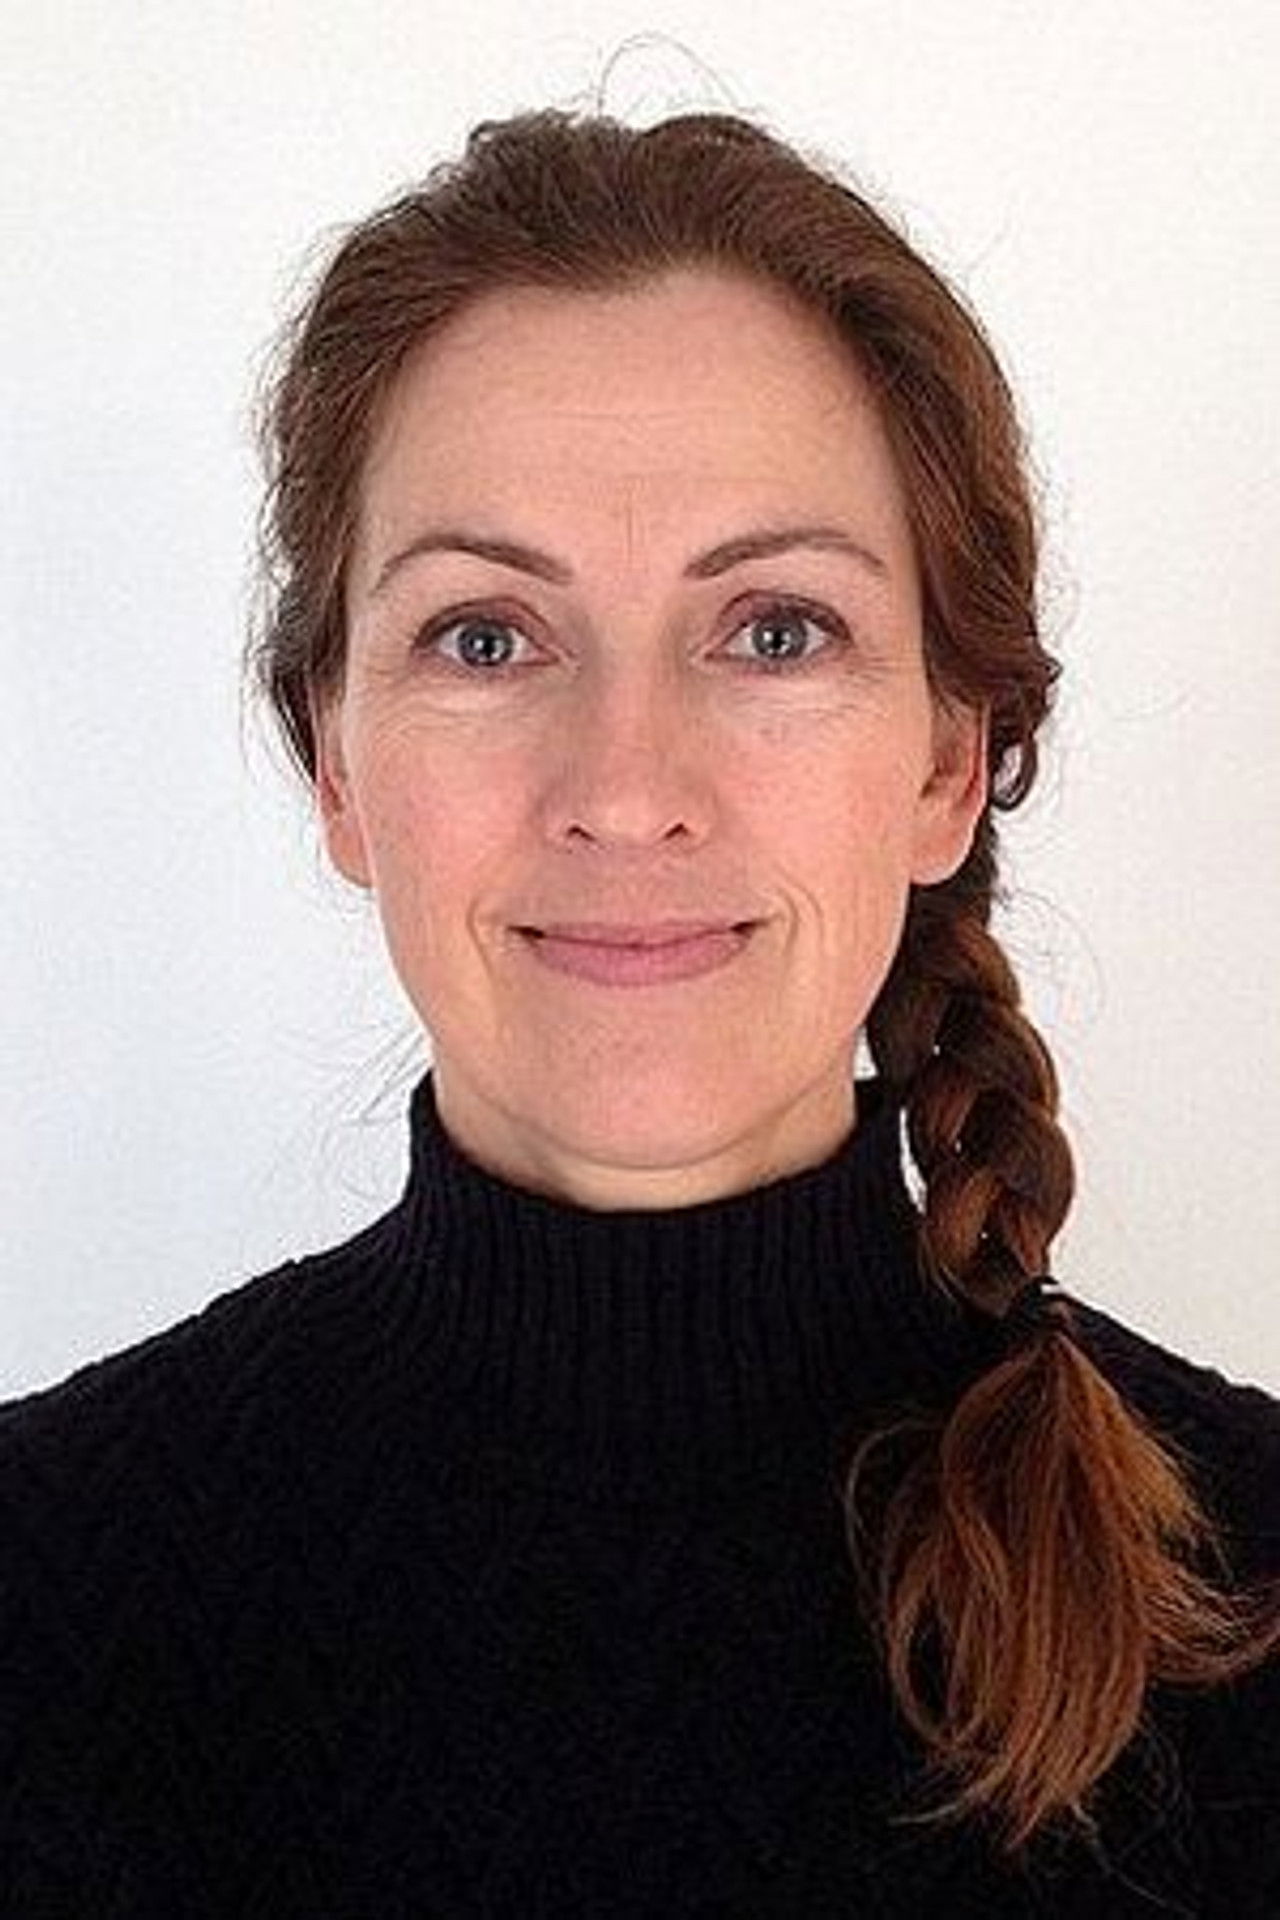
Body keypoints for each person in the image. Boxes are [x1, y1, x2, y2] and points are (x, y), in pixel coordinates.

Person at [2, 104, 1277, 1919]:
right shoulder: (46, 1589)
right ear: (336, 766)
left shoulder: (1251, 1592)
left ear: (949, 760)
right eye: (486, 637)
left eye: (774, 631)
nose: (624, 788)